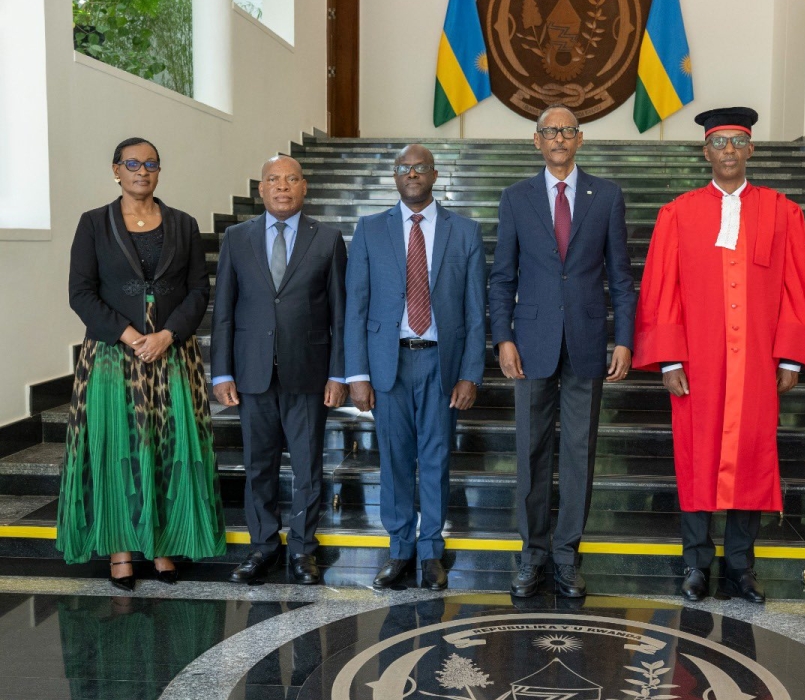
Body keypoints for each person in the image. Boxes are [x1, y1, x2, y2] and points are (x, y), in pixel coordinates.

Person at [632, 107, 805, 604]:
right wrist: (669, 359)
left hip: (756, 361)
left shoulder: (782, 211)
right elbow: (661, 289)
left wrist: (792, 357)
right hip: (699, 363)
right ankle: (696, 564)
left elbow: (798, 286)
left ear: (751, 149)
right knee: (696, 459)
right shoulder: (678, 213)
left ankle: (741, 567)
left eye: (737, 141)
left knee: (752, 459)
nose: (729, 150)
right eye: (719, 142)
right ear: (705, 151)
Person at [57, 137, 225, 590]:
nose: (142, 170)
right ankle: (120, 551)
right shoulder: (93, 224)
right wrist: (132, 336)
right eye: (132, 163)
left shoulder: (184, 224)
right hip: (113, 356)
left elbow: (198, 291)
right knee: (119, 450)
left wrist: (168, 335)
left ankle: (163, 544)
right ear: (116, 170)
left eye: (151, 163)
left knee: (168, 450)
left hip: (172, 355)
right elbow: (81, 293)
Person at [489, 104, 636, 598]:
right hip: (530, 344)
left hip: (589, 341)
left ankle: (567, 556)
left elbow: (620, 276)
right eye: (550, 131)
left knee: (578, 451)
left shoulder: (607, 196)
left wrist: (625, 338)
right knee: (531, 452)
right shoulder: (515, 198)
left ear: (580, 139)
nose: (558, 138)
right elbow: (502, 276)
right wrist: (503, 336)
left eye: (567, 131)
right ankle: (531, 555)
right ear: (537, 141)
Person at [345, 144, 486, 590]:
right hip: (390, 363)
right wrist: (357, 374)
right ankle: (400, 548)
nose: (411, 174)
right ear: (394, 175)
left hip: (440, 362)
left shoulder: (464, 231)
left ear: (434, 173)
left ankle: (431, 551)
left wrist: (470, 373)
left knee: (436, 458)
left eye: (419, 167)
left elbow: (476, 310)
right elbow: (356, 306)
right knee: (395, 459)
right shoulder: (369, 230)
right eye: (403, 168)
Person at [211, 155, 348, 585]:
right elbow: (224, 312)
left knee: (308, 466)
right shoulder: (237, 237)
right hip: (252, 373)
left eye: (291, 179)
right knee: (259, 464)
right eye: (274, 179)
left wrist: (339, 373)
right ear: (261, 189)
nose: (282, 186)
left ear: (304, 187)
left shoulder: (327, 239)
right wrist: (221, 372)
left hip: (309, 372)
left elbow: (340, 315)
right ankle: (263, 547)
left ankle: (304, 550)